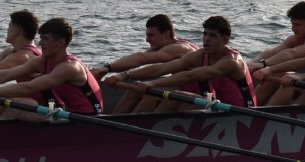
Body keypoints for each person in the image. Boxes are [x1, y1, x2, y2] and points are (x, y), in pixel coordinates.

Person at [0, 17, 104, 118]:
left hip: (85, 118)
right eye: (40, 38)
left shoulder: (70, 67)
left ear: (60, 43)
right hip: (61, 110)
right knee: (0, 98)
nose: (40, 44)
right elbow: (6, 74)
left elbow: (30, 87)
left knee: (22, 104)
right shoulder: (43, 60)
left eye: (45, 39)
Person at [104, 15, 255, 112]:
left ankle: (147, 134)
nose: (206, 39)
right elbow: (163, 68)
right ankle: (118, 127)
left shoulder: (232, 62)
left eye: (213, 36)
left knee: (175, 96)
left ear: (225, 40)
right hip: (215, 104)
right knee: (146, 91)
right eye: (205, 34)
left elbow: (193, 74)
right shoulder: (201, 55)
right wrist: (124, 75)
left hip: (239, 111)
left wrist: (153, 84)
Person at [248, 0, 305, 105]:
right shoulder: (297, 38)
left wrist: (262, 64)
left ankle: (263, 115)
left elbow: (292, 53)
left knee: (289, 79)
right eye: (292, 24)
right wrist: (252, 63)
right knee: (277, 73)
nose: (293, 28)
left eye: (297, 25)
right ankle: (250, 107)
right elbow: (273, 51)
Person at [89, 14, 197, 83]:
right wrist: (104, 69)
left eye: (151, 35)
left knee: (146, 93)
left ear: (166, 33)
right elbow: (136, 59)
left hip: (201, 94)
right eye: (147, 35)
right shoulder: (162, 47)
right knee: (136, 90)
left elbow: (142, 58)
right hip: (185, 88)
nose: (147, 40)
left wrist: (109, 69)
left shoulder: (179, 48)